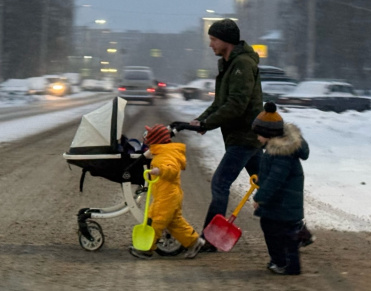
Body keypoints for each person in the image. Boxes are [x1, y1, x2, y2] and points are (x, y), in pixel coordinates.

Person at [189, 18, 264, 252]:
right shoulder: (229, 63)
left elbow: (236, 105)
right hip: (245, 136)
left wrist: (208, 124)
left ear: (226, 41)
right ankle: (297, 230)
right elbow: (220, 102)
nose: (210, 44)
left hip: (245, 136)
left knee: (220, 183)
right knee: (267, 183)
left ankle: (210, 238)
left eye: (213, 39)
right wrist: (201, 121)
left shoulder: (241, 64)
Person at [129, 124, 205, 260]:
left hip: (167, 196)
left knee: (155, 221)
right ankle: (194, 241)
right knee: (174, 222)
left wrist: (160, 170)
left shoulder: (165, 155)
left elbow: (172, 169)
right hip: (169, 194)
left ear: (155, 140)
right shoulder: (165, 151)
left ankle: (146, 249)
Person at [250, 102, 309, 275]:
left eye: (259, 134)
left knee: (278, 232)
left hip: (283, 205)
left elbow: (274, 181)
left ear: (268, 133)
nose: (257, 138)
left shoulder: (281, 154)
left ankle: (285, 263)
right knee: (279, 231)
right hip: (281, 204)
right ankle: (284, 259)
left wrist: (259, 197)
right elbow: (270, 177)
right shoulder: (275, 150)